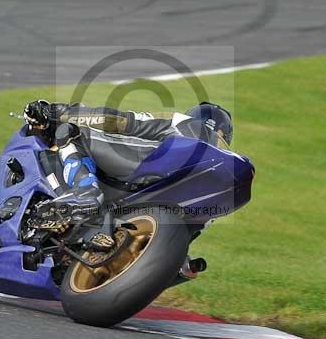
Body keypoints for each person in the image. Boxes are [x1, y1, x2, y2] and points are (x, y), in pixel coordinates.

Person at [22, 100, 233, 250]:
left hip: (148, 164)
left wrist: (57, 112)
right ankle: (96, 228)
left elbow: (121, 121)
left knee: (69, 131)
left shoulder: (182, 123)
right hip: (159, 222)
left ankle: (85, 194)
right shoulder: (211, 181)